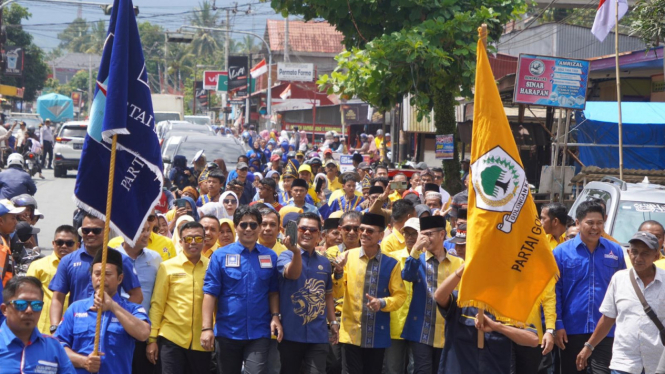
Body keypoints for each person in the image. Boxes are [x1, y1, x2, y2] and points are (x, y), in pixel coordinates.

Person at [201, 205, 283, 374]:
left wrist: (275, 316)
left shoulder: (270, 256)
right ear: (236, 226)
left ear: (259, 228)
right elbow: (210, 293)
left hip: (259, 332)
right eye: (243, 225)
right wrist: (207, 328)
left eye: (253, 225)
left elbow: (273, 291)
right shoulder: (220, 255)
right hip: (227, 332)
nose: (248, 229)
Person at [576, 231, 664, 374]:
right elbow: (608, 318)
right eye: (634, 252)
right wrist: (589, 347)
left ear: (656, 256)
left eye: (645, 254)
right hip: (624, 363)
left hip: (658, 362)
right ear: (628, 252)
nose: (638, 258)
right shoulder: (619, 279)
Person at [554, 201, 626, 374]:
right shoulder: (561, 252)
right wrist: (557, 324)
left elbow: (623, 289)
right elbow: (554, 291)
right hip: (571, 330)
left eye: (599, 223)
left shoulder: (615, 251)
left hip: (606, 330)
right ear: (578, 223)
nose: (595, 227)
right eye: (590, 223)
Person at [54, 248, 151, 374]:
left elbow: (143, 333)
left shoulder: (133, 309)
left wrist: (113, 306)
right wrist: (83, 361)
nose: (101, 278)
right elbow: (57, 346)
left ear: (120, 279)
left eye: (108, 274)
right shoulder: (75, 309)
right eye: (97, 274)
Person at [332, 213, 407, 374]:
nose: (364, 233)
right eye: (362, 230)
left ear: (381, 235)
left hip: (377, 333)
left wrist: (382, 303)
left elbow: (400, 296)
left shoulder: (391, 263)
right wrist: (338, 272)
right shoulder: (347, 257)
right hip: (351, 332)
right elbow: (336, 292)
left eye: (370, 231)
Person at [433, 265, 539, 373]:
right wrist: (465, 267)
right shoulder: (461, 302)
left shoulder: (509, 307)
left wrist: (498, 327)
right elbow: (439, 296)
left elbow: (533, 340)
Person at [49, 213, 143, 333]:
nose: (90, 234)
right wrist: (55, 328)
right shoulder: (68, 261)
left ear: (107, 230)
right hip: (77, 328)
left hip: (109, 328)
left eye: (96, 230)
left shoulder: (121, 260)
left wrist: (118, 316)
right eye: (86, 230)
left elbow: (137, 295)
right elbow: (58, 298)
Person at [401, 215, 463, 373]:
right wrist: (415, 250)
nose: (425, 239)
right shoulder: (418, 260)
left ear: (442, 234)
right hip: (422, 330)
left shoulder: (458, 264)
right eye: (422, 234)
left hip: (449, 331)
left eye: (429, 234)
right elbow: (407, 275)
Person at [277, 212, 337, 374]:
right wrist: (296, 252)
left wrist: (333, 323)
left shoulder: (324, 262)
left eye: (313, 230)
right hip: (290, 334)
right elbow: (292, 274)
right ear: (295, 231)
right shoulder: (285, 255)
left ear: (320, 235)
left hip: (318, 334)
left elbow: (328, 295)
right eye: (303, 228)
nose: (308, 232)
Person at [148, 221, 211, 373]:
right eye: (188, 239)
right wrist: (152, 339)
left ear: (204, 240)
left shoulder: (212, 266)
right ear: (181, 241)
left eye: (198, 238)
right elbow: (157, 304)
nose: (193, 243)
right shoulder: (167, 267)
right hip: (171, 338)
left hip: (202, 341)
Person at [0, 276, 76, 373]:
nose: (29, 310)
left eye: (36, 305)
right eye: (21, 304)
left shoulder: (54, 347)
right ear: (4, 309)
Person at [116, 224, 161, 374]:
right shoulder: (112, 256)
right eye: (141, 230)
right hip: (117, 329)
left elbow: (158, 298)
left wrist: (152, 339)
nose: (147, 234)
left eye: (148, 230)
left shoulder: (155, 258)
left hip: (143, 330)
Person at [26, 225, 79, 335]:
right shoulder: (38, 265)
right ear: (53, 244)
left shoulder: (83, 267)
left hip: (74, 326)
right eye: (59, 242)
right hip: (43, 328)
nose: (63, 246)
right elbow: (27, 295)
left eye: (69, 243)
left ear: (77, 245)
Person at [383, 217, 419, 374]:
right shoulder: (392, 258)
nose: (410, 237)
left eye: (414, 234)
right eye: (407, 234)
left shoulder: (428, 259)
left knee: (416, 369)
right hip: (396, 324)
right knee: (393, 369)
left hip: (419, 327)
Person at [108, 211, 176, 262]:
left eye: (150, 218)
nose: (145, 221)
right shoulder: (113, 244)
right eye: (140, 217)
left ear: (155, 220)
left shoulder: (167, 243)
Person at [0, 199, 25, 287]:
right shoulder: (1, 245)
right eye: (13, 218)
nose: (16, 222)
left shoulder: (5, 238)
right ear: (1, 221)